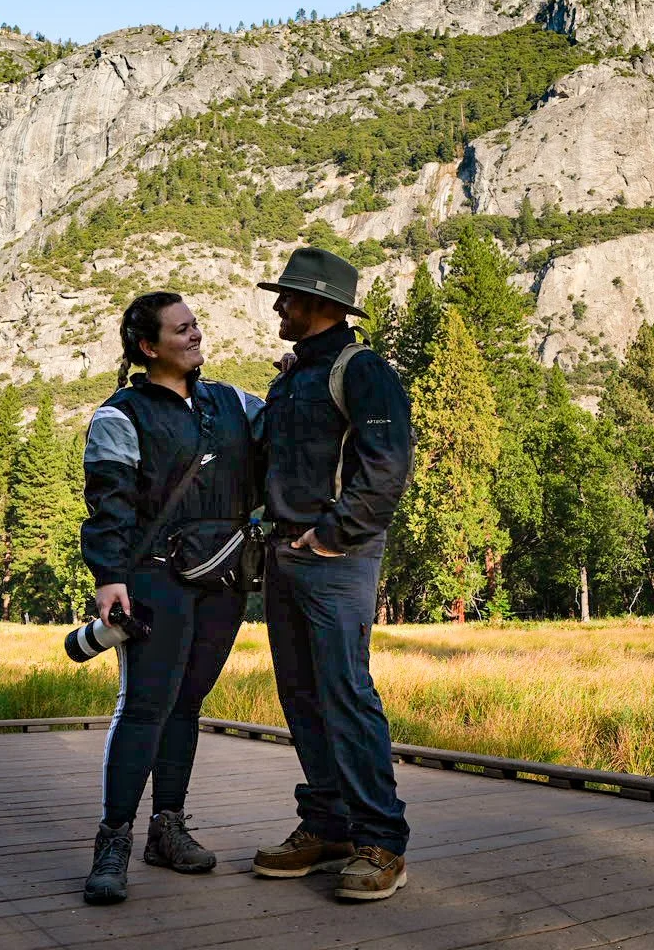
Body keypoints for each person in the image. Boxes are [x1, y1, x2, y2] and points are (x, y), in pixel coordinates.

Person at [79, 291, 263, 905]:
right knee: (145, 706)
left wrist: (296, 384)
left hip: (224, 580)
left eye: (196, 326)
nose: (195, 336)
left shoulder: (235, 403)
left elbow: (289, 436)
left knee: (187, 704)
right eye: (181, 330)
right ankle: (113, 843)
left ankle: (168, 828)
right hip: (155, 579)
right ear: (148, 346)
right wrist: (109, 578)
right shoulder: (120, 416)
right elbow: (110, 504)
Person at [252, 247, 414, 902]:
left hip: (335, 559)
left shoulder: (365, 370)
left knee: (345, 692)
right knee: (300, 695)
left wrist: (330, 536)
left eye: (287, 296)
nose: (277, 306)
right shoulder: (292, 377)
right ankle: (328, 826)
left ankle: (381, 841)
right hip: (283, 558)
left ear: (321, 304)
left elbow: (386, 468)